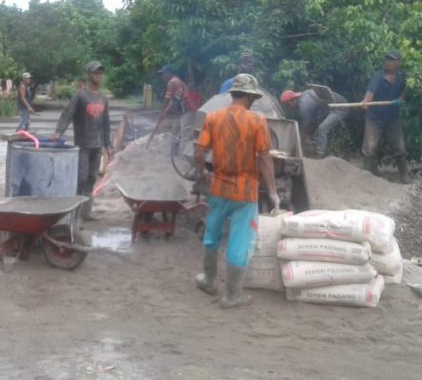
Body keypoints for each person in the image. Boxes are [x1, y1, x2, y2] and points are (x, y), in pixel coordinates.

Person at [194, 74, 280, 308]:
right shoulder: (257, 121)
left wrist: (202, 173)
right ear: (251, 97)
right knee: (240, 242)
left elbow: (199, 151)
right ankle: (232, 296)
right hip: (245, 192)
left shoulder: (213, 118)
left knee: (211, 235)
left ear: (231, 94)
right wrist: (272, 192)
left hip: (219, 188)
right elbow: (264, 158)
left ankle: (209, 281)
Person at [53, 61, 111, 219]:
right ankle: (74, 214)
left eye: (100, 73)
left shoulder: (103, 99)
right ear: (88, 75)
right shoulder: (80, 96)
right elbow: (67, 114)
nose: (99, 75)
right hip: (83, 145)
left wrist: (108, 144)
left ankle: (86, 213)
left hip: (97, 145)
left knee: (92, 178)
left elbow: (106, 123)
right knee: (81, 179)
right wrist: (59, 132)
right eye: (95, 73)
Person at [361, 50, 411, 184]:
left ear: (398, 63)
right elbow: (369, 94)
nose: (388, 62)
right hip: (374, 117)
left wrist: (401, 98)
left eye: (392, 60)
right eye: (387, 59)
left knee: (399, 147)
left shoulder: (402, 77)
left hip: (392, 117)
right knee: (370, 147)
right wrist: (365, 102)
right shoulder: (378, 76)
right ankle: (368, 177)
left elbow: (407, 88)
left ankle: (404, 176)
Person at [280, 88, 348, 158]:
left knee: (322, 129)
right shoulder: (303, 96)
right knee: (315, 128)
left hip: (340, 108)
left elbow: (304, 128)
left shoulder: (305, 104)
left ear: (292, 100)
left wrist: (298, 147)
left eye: (287, 105)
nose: (288, 107)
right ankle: (323, 148)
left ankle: (320, 154)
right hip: (328, 108)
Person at [147, 64, 191, 147]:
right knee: (175, 132)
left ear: (168, 73)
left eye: (163, 73)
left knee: (184, 136)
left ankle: (183, 158)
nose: (162, 76)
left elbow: (167, 98)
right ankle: (174, 153)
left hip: (186, 111)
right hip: (181, 112)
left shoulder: (172, 82)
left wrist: (161, 112)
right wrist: (164, 112)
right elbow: (172, 100)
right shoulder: (177, 81)